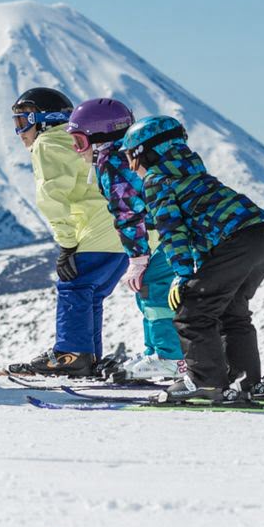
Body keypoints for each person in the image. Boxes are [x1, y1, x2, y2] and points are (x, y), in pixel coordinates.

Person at [118, 115, 264, 403]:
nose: (133, 168)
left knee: (192, 310)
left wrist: (182, 275)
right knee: (231, 310)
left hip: (240, 240)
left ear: (148, 152)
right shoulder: (194, 174)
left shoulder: (158, 180)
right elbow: (202, 230)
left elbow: (172, 231)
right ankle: (247, 382)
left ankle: (204, 382)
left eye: (132, 159)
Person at [6, 87, 129, 377]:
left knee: (73, 287)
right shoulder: (79, 141)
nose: (20, 133)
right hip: (123, 232)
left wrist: (67, 245)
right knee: (91, 293)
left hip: (94, 228)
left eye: (23, 122)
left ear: (44, 120)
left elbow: (52, 197)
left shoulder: (48, 143)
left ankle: (70, 355)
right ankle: (87, 357)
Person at [65, 97, 185, 381]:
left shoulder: (112, 159)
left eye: (80, 142)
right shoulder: (128, 155)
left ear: (100, 137)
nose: (76, 150)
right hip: (166, 235)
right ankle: (157, 352)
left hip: (160, 239)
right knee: (149, 294)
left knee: (155, 292)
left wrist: (138, 257)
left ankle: (169, 357)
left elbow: (127, 211)